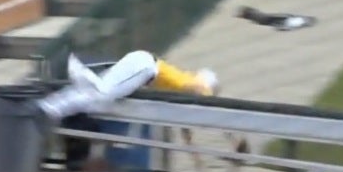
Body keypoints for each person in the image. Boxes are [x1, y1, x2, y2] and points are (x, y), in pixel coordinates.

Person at [35, 50, 220, 121]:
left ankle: (49, 107)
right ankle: (77, 68)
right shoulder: (199, 86)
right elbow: (214, 110)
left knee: (96, 100)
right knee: (101, 94)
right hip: (145, 67)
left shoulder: (188, 80)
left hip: (142, 64)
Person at [237, 6, 315, 31]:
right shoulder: (299, 22)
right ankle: (247, 13)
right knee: (263, 19)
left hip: (277, 20)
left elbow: (287, 19)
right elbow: (287, 24)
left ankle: (247, 13)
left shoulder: (299, 21)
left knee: (263, 19)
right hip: (277, 21)